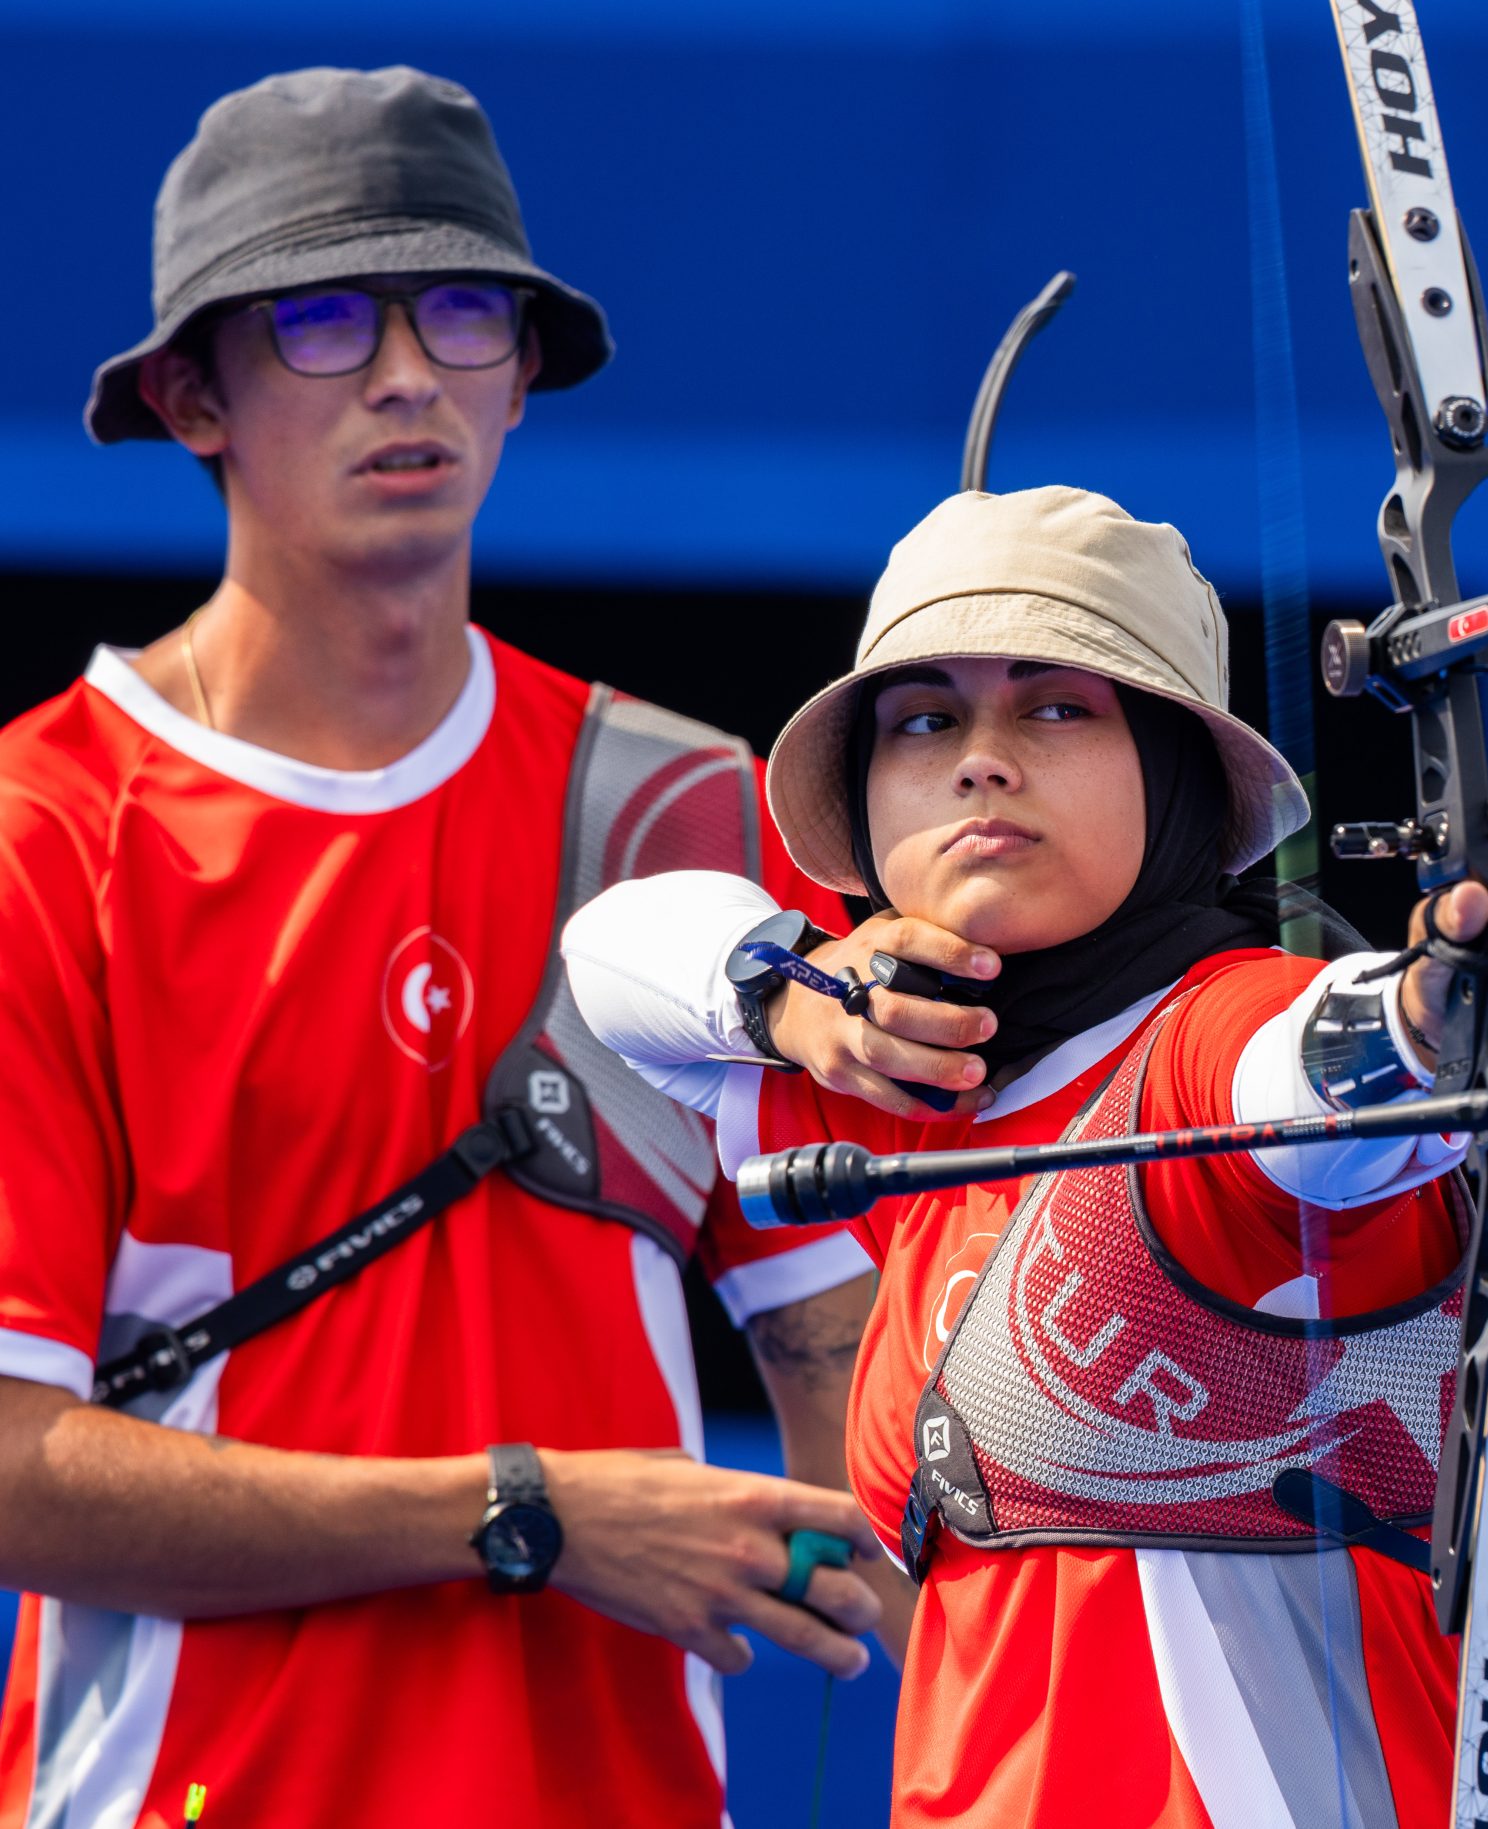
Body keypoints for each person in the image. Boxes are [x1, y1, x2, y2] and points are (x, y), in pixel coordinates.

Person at [0, 67, 898, 1828]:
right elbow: (11, 1474)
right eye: (327, 318)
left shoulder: (681, 808)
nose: (409, 372)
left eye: (464, 311)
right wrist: (528, 1509)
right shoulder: (45, 834)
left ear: (521, 375)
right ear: (194, 393)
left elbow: (845, 1370)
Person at [561, 484, 1488, 1824]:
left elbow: (1319, 1073)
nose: (981, 757)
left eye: (1055, 707)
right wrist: (786, 996)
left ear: (1180, 777)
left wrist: (1460, 1001)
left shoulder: (1219, 1032)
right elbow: (609, 957)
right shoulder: (917, 1086)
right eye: (926, 718)